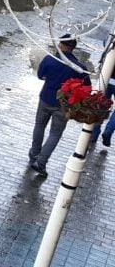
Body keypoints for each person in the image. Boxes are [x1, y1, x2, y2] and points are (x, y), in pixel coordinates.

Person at [30, 34, 90, 177]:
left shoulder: (50, 59)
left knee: (39, 126)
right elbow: (87, 88)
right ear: (73, 48)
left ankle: (34, 154)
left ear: (61, 45)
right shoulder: (80, 68)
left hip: (45, 98)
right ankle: (41, 162)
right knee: (55, 134)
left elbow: (40, 75)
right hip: (64, 105)